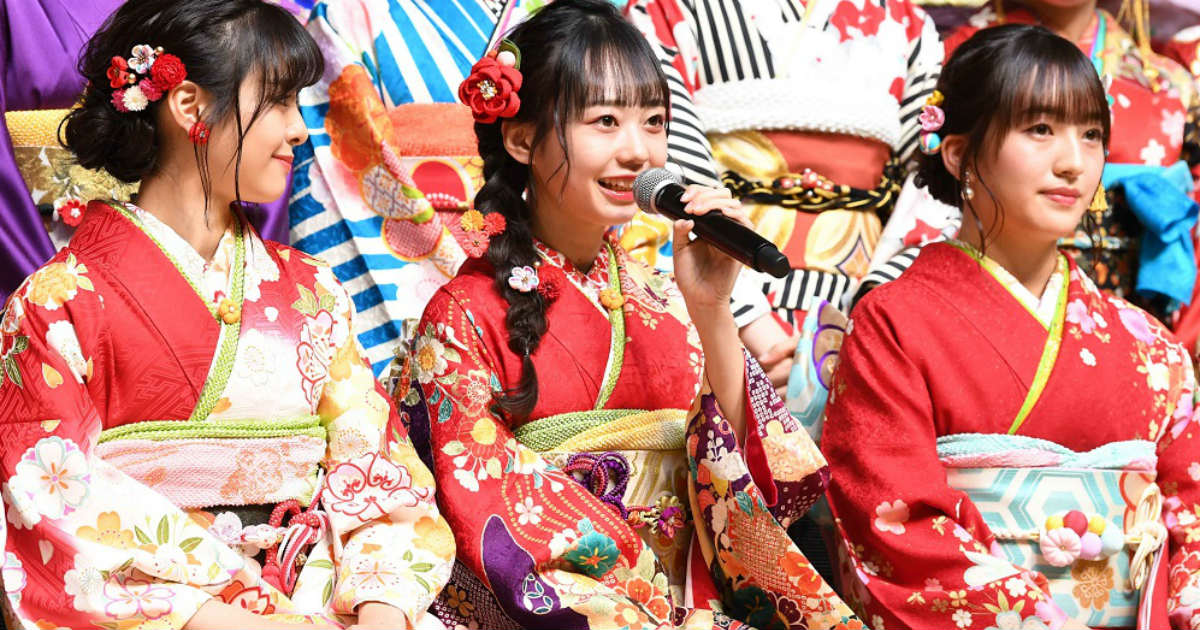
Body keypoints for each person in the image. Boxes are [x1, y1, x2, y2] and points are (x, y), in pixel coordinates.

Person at [402, 1, 859, 628]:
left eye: (653, 122)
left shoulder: (667, 298)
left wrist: (712, 311)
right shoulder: (462, 315)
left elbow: (752, 480)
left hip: (693, 608)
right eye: (605, 121)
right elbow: (487, 514)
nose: (639, 152)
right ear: (522, 138)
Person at [0, 1, 454, 628]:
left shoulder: (313, 290)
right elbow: (52, 503)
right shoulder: (56, 304)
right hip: (177, 614)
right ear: (190, 105)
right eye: (279, 103)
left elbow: (380, 475)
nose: (299, 130)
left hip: (322, 600)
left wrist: (381, 609)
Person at [822, 24, 1200, 629]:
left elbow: (1191, 518)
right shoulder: (893, 323)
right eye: (1040, 129)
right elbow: (892, 521)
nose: (1073, 162)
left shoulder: (1151, 346)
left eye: (1091, 134)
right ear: (959, 154)